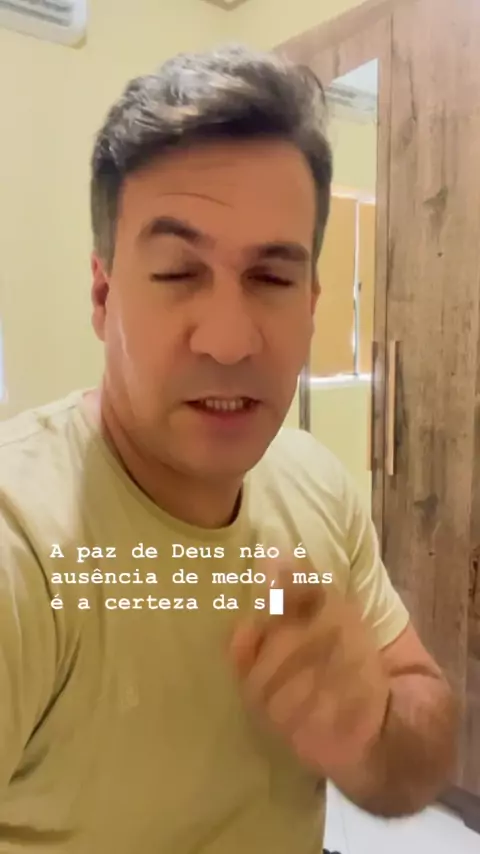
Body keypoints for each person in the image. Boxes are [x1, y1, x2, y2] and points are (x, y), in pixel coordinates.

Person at [0, 44, 458, 853]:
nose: (228, 340)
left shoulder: (314, 485)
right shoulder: (25, 545)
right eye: (179, 273)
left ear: (311, 303)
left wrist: (373, 728)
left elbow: (422, 733)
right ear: (103, 295)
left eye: (272, 279)